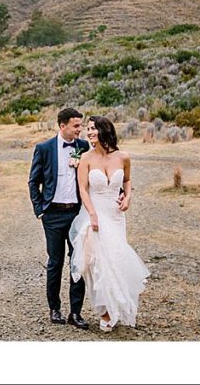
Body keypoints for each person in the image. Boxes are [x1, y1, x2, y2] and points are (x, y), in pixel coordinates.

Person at [69, 115, 150, 332]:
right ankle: (105, 311)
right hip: (95, 215)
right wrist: (92, 214)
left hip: (115, 216)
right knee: (98, 265)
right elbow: (83, 189)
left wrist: (128, 197)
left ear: (105, 130)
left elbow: (127, 180)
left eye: (93, 128)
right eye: (88, 129)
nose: (89, 132)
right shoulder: (85, 158)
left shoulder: (123, 157)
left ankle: (118, 305)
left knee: (116, 260)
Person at [28, 107, 90, 328]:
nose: (79, 130)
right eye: (75, 126)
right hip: (52, 214)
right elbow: (33, 181)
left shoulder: (83, 147)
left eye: (80, 126)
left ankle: (76, 313)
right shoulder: (44, 148)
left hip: (76, 213)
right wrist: (40, 209)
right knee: (56, 262)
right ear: (62, 126)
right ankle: (54, 309)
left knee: (78, 262)